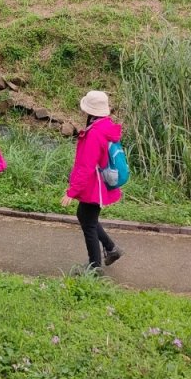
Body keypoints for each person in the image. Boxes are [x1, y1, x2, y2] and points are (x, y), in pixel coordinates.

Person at [60, 91, 124, 275]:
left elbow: (86, 166)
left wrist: (72, 192)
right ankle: (111, 249)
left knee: (88, 223)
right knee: (86, 217)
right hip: (99, 184)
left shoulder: (94, 133)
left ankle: (95, 267)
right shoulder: (105, 126)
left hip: (93, 186)